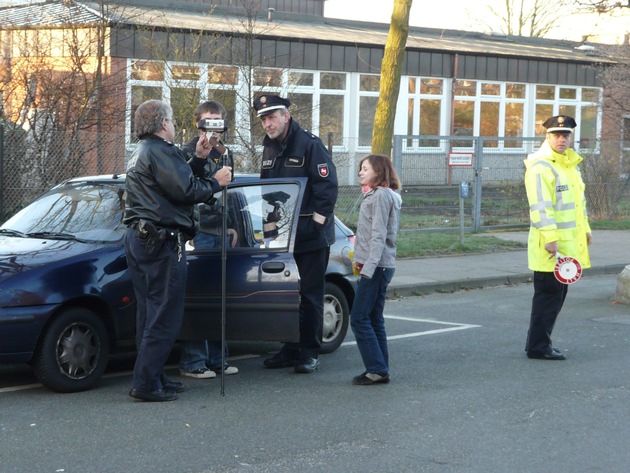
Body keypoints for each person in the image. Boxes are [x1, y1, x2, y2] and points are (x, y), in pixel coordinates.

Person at [123, 99, 232, 401]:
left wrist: (198, 159)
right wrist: (215, 181)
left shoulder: (142, 152)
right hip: (161, 241)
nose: (173, 124)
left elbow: (175, 184)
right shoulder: (160, 151)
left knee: (149, 313)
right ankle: (145, 384)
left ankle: (154, 376)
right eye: (170, 119)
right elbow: (187, 192)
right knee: (165, 315)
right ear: (162, 124)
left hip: (141, 238)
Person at [253, 94, 338, 374]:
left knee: (310, 295)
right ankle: (290, 347)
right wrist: (268, 229)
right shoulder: (268, 149)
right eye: (263, 119)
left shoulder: (310, 145)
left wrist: (315, 224)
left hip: (310, 238)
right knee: (286, 295)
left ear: (286, 116)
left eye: (272, 117)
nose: (267, 123)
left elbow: (327, 187)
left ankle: (309, 351)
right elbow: (267, 193)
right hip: (282, 236)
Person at [178, 100, 239, 379]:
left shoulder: (226, 154)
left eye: (218, 120)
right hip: (198, 232)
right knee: (199, 297)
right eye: (208, 120)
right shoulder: (187, 152)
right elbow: (188, 192)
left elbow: (232, 195)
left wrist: (231, 225)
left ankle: (219, 358)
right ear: (198, 123)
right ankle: (194, 361)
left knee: (220, 298)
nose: (213, 126)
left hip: (220, 232)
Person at [524, 115, 592, 361]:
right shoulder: (542, 166)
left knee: (554, 297)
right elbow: (541, 207)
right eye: (556, 135)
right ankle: (538, 347)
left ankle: (538, 343)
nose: (561, 139)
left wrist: (586, 230)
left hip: (566, 247)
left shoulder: (568, 165)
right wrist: (551, 238)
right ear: (547, 136)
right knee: (548, 298)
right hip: (551, 248)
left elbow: (578, 205)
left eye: (565, 135)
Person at [350, 154, 402, 385]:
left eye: (365, 169)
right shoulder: (378, 195)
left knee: (359, 318)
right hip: (378, 265)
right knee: (373, 318)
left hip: (377, 267)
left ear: (378, 173)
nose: (360, 172)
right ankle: (380, 368)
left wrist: (368, 268)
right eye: (360, 168)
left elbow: (378, 235)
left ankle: (376, 369)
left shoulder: (380, 196)